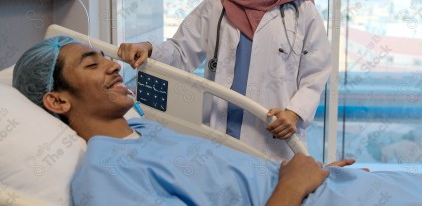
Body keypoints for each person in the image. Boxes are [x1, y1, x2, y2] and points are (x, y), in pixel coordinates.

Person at [12, 36, 348, 206]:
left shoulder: (145, 129)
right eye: (91, 65)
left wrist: (319, 176)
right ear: (57, 100)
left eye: (105, 59)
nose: (115, 66)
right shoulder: (104, 174)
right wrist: (294, 186)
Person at [118, 0, 332, 160]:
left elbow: (316, 73)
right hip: (220, 136)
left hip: (274, 139)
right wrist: (149, 48)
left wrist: (295, 113)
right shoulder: (217, 4)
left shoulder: (300, 8)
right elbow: (180, 51)